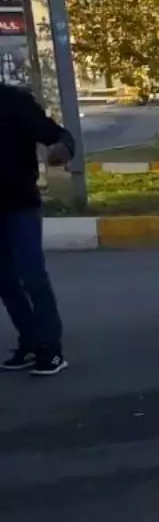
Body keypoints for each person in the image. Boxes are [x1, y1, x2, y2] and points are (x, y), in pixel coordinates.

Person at [0, 79, 74, 376]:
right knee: (4, 281)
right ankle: (30, 341)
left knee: (32, 276)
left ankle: (51, 350)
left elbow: (58, 135)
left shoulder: (14, 102)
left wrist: (61, 149)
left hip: (20, 205)